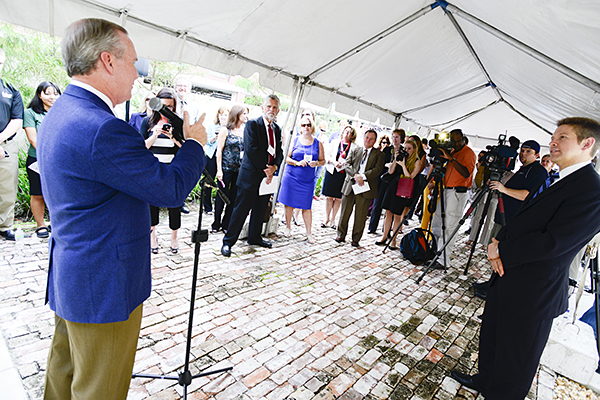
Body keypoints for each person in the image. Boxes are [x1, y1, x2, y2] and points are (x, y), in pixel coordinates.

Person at [37, 18, 207, 400]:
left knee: (62, 381)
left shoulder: (62, 111)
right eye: (132, 62)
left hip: (75, 277)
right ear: (107, 61)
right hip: (105, 289)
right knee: (100, 389)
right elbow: (170, 189)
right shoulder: (101, 128)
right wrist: (195, 144)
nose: (136, 75)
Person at [451, 117, 600, 400]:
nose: (553, 142)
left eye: (563, 137)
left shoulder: (592, 190)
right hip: (507, 276)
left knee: (516, 360)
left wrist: (501, 249)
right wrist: (497, 240)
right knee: (493, 341)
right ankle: (485, 380)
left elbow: (554, 241)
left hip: (534, 290)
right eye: (553, 137)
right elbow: (525, 220)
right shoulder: (559, 179)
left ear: (587, 143)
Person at [473, 140, 548, 299]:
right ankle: (492, 283)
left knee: (504, 255)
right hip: (505, 216)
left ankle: (498, 289)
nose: (523, 154)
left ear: (537, 154)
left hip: (516, 221)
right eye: (522, 151)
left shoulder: (538, 171)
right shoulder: (523, 169)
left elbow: (528, 195)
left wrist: (503, 189)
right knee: (497, 251)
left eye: (528, 151)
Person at [220, 94, 283, 257]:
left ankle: (255, 238)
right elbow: (251, 150)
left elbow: (279, 152)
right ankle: (228, 242)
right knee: (240, 211)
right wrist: (266, 168)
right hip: (250, 177)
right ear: (263, 108)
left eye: (275, 107)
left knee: (260, 209)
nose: (272, 110)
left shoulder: (277, 129)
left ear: (278, 110)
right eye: (269, 106)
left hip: (267, 179)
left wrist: (275, 166)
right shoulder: (253, 124)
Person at [140, 88, 183, 254]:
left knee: (175, 204)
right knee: (152, 205)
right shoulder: (147, 122)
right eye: (163, 106)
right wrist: (155, 134)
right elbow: (141, 148)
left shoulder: (177, 123)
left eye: (170, 107)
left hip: (171, 170)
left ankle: (174, 236)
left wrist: (173, 137)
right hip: (153, 171)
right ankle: (152, 236)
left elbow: (185, 148)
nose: (167, 110)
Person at [429, 129, 477, 269]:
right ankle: (435, 252)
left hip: (458, 193)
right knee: (437, 223)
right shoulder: (452, 151)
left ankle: (443, 260)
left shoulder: (468, 153)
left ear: (463, 139)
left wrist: (451, 158)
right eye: (452, 140)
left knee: (449, 226)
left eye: (457, 141)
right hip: (446, 190)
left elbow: (466, 173)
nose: (455, 143)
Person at [23, 81, 61, 238]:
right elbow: (33, 139)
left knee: (58, 193)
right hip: (37, 159)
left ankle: (57, 223)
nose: (52, 97)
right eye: (47, 93)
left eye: (55, 93)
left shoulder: (62, 112)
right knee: (37, 193)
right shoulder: (31, 113)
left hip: (59, 159)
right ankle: (40, 225)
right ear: (39, 95)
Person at [278, 115, 325, 243]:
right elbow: (286, 158)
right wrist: (297, 163)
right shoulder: (294, 140)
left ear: (312, 127)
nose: (306, 127)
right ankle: (288, 227)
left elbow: (323, 160)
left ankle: (309, 233)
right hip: (292, 176)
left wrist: (316, 163)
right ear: (300, 127)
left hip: (307, 180)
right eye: (304, 125)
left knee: (307, 206)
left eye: (309, 125)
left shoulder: (318, 143)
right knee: (288, 203)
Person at [335, 129, 384, 247]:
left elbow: (377, 170)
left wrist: (363, 177)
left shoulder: (379, 154)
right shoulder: (355, 149)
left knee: (360, 215)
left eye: (371, 139)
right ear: (364, 137)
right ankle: (341, 234)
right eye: (367, 137)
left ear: (375, 141)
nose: (368, 140)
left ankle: (356, 238)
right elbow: (347, 164)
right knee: (345, 212)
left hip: (365, 187)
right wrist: (356, 176)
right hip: (350, 184)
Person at [376, 138, 424, 249]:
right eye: (405, 148)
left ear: (414, 150)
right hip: (393, 186)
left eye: (409, 149)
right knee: (388, 213)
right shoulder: (401, 157)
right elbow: (391, 171)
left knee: (397, 216)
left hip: (404, 189)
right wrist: (395, 160)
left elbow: (410, 177)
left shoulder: (417, 161)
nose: (406, 151)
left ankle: (393, 240)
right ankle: (384, 236)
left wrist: (403, 165)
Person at [0, 48, 24, 241]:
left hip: (6, 145)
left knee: (7, 187)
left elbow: (17, 120)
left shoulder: (10, 89)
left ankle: (5, 225)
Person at [212, 105, 246, 233]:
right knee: (221, 196)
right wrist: (219, 170)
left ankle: (226, 224)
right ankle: (216, 223)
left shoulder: (244, 131)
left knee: (233, 198)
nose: (246, 116)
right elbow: (219, 151)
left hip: (239, 170)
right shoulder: (225, 130)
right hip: (226, 168)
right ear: (237, 115)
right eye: (244, 114)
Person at [321, 125, 357, 229]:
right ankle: (326, 218)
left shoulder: (353, 147)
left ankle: (333, 219)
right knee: (329, 197)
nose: (347, 133)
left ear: (352, 135)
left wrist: (345, 164)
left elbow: (354, 162)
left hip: (343, 174)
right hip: (332, 171)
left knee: (338, 198)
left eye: (350, 132)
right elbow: (326, 156)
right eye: (346, 131)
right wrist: (334, 162)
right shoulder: (335, 142)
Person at [368, 129, 404, 234]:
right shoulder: (387, 150)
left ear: (401, 139)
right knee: (377, 203)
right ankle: (372, 227)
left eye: (397, 137)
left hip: (395, 181)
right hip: (384, 178)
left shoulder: (403, 151)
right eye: (393, 137)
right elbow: (380, 164)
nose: (394, 139)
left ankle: (386, 231)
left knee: (390, 207)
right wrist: (386, 165)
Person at [175, 75, 201, 215]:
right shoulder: (172, 103)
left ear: (189, 89)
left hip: (185, 144)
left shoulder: (194, 107)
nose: (182, 88)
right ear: (175, 88)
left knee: (183, 172)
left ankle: (181, 201)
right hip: (171, 140)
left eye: (184, 86)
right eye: (179, 85)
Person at [203, 106, 229, 216]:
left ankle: (220, 206)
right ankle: (207, 207)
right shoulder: (211, 126)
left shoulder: (230, 128)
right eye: (221, 114)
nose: (223, 117)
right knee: (209, 181)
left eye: (226, 115)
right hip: (212, 155)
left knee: (222, 183)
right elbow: (207, 141)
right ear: (218, 116)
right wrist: (215, 137)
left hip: (224, 158)